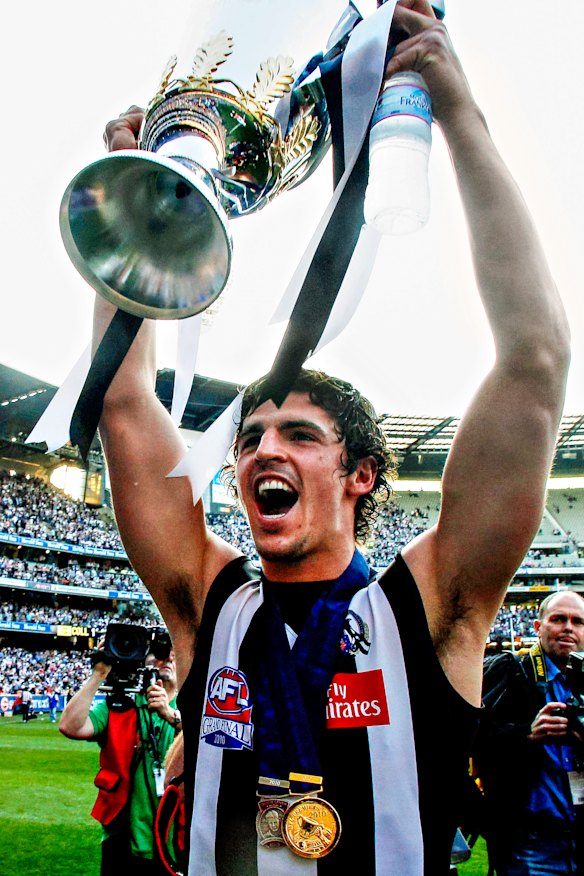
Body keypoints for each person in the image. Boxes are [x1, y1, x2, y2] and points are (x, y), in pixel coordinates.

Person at [95, 1, 571, 872]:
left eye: (301, 435)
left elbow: (535, 360)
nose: (264, 449)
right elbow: (124, 407)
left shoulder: (429, 608)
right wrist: (138, 214)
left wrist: (457, 110)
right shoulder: (211, 602)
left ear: (362, 475)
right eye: (250, 438)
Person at [474, 592, 584, 875]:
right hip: (533, 841)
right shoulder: (511, 671)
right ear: (538, 627)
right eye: (558, 619)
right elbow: (472, 740)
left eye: (578, 621)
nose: (568, 628)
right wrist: (527, 735)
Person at [59, 640, 182, 875]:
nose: (167, 658)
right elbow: (70, 726)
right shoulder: (120, 706)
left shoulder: (190, 708)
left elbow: (202, 742)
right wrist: (100, 673)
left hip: (176, 838)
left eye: (174, 653)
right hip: (123, 838)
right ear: (141, 662)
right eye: (159, 653)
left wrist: (170, 714)